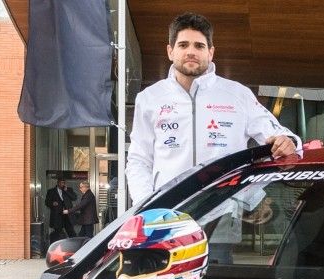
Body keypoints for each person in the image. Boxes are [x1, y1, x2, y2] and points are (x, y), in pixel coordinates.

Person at [125, 12, 301, 210]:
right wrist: (146, 207)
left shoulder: (237, 94)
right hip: (167, 216)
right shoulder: (149, 98)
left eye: (199, 46)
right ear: (170, 51)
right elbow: (139, 160)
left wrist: (289, 142)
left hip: (223, 214)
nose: (191, 51)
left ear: (210, 52)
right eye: (183, 45)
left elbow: (282, 138)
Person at [44, 177, 75, 242]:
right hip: (57, 215)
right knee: (58, 232)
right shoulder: (51, 191)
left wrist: (67, 191)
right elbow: (47, 202)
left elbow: (74, 198)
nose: (63, 184)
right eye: (61, 183)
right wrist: (52, 203)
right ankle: (57, 246)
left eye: (64, 183)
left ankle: (74, 245)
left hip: (67, 214)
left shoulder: (69, 190)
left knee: (71, 231)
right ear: (58, 183)